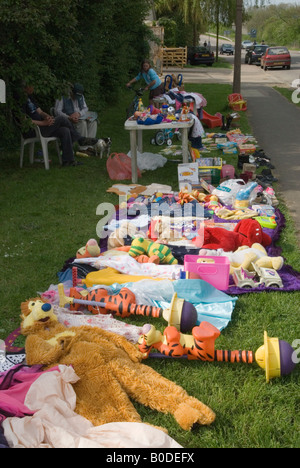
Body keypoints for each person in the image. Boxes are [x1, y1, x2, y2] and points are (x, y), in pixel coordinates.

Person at [22, 84, 97, 167]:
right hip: (34, 130)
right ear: (25, 87)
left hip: (43, 127)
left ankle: (68, 161)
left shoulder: (30, 98)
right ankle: (80, 139)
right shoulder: (20, 100)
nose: (33, 88)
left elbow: (40, 112)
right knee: (61, 118)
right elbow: (24, 120)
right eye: (31, 86)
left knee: (65, 130)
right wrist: (44, 123)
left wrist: (47, 117)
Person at [54, 83, 98, 149]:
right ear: (71, 92)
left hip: (80, 117)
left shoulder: (81, 96)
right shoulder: (62, 97)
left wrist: (79, 113)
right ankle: (83, 148)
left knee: (93, 122)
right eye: (75, 96)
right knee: (82, 123)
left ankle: (89, 146)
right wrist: (69, 117)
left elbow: (85, 108)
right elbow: (57, 111)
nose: (76, 98)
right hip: (68, 120)